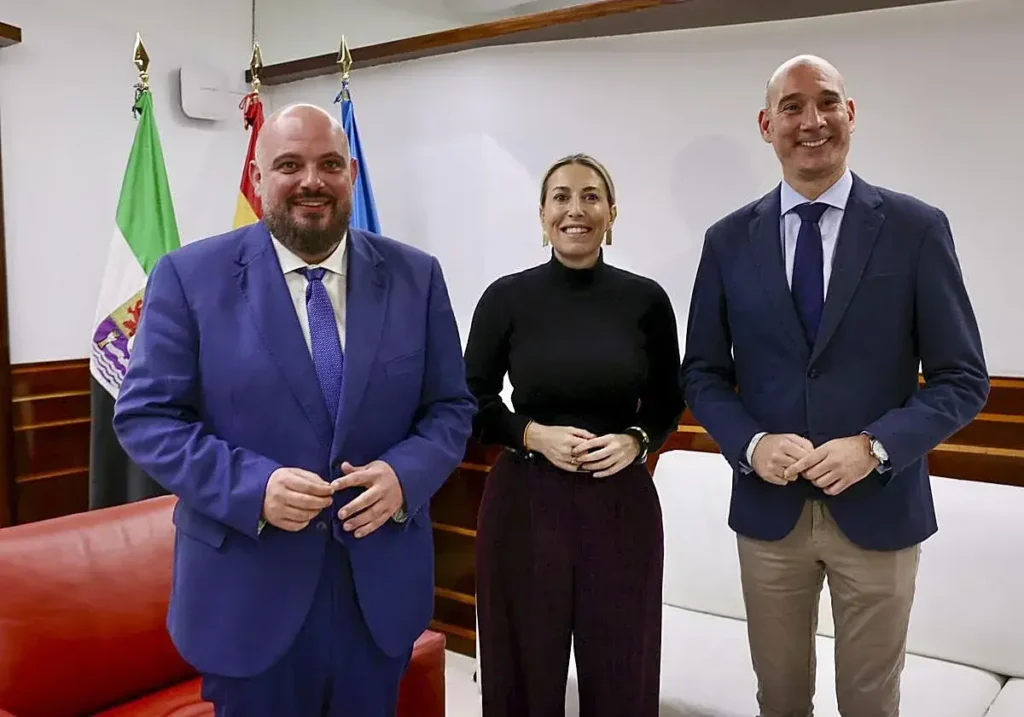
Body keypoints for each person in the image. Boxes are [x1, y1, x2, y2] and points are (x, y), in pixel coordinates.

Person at [112, 103, 475, 716]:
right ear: (258, 180)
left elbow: (450, 408)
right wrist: (254, 488)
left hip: (377, 597)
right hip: (247, 599)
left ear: (351, 176)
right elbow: (147, 417)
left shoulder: (417, 277)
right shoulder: (188, 277)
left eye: (329, 164)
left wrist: (404, 476)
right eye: (289, 165)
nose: (312, 180)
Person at [680, 55, 989, 716]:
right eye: (792, 106)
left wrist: (875, 446)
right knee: (781, 698)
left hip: (880, 508)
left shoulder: (915, 229)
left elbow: (963, 379)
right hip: (770, 515)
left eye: (827, 102)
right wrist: (751, 442)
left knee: (870, 703)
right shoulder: (727, 240)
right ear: (767, 125)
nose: (811, 119)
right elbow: (702, 372)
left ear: (851, 114)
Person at [463, 153, 684, 716]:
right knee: (522, 671)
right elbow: (472, 401)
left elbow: (665, 402)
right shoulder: (506, 298)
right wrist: (533, 435)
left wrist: (636, 440)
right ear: (542, 215)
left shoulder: (646, 301)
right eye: (560, 197)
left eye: (590, 196)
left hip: (619, 505)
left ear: (612, 214)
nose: (575, 210)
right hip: (526, 503)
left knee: (621, 673)